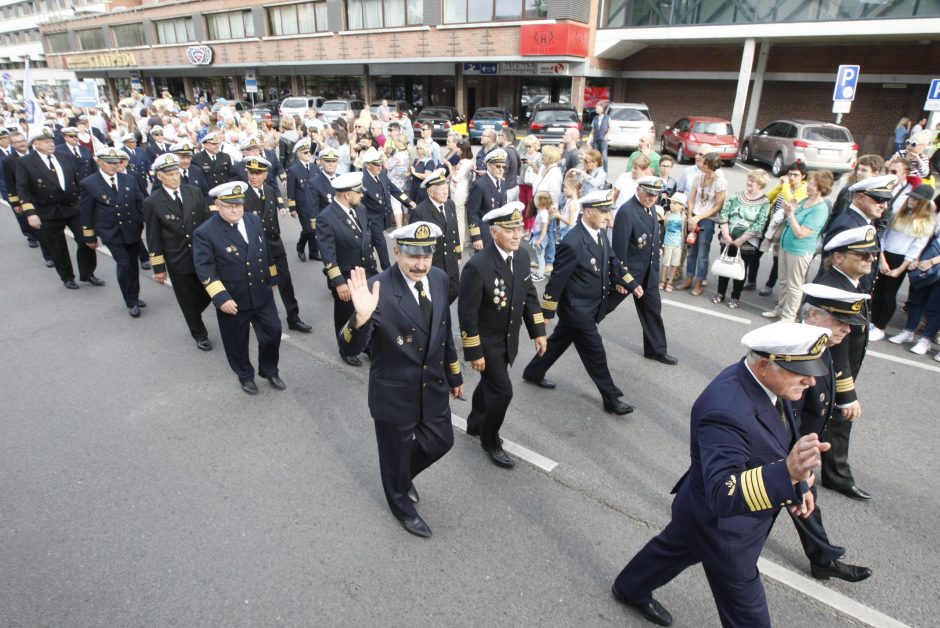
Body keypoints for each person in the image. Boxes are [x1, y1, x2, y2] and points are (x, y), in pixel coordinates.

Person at [611, 321, 833, 628]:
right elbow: (724, 492)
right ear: (766, 365)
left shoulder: (767, 383)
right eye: (801, 372)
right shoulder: (725, 409)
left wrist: (799, 485)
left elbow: (777, 444)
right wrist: (787, 474)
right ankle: (630, 588)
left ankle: (629, 588)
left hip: (697, 510)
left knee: (674, 548)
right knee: (749, 617)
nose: (810, 381)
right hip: (724, 529)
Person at [340, 222, 464, 539]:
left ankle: (400, 476)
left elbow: (443, 329)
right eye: (412, 256)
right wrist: (360, 318)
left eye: (427, 255)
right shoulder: (377, 289)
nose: (421, 264)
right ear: (397, 252)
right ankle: (401, 507)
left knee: (442, 441)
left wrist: (453, 373)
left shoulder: (437, 278)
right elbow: (349, 346)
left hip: (432, 386)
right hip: (394, 394)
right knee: (394, 455)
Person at [521, 189, 634, 415]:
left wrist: (630, 282)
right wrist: (547, 313)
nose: (608, 216)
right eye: (604, 212)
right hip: (576, 309)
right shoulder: (573, 241)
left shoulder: (599, 233)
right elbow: (557, 280)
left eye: (608, 211)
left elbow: (611, 260)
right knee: (596, 353)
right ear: (588, 211)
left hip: (593, 304)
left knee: (560, 341)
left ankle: (533, 372)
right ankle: (611, 398)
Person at [792, 284, 874, 583]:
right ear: (814, 315)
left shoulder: (821, 346)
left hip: (796, 451)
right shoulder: (793, 352)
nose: (847, 331)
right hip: (772, 453)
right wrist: (798, 471)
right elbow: (783, 419)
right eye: (841, 322)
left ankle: (823, 559)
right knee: (715, 527)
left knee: (804, 504)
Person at [459, 203, 547, 468]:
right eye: (510, 230)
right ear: (495, 233)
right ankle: (490, 439)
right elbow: (467, 314)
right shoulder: (478, 266)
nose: (517, 235)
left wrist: (538, 332)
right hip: (487, 343)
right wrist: (474, 352)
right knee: (503, 392)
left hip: (508, 339)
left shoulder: (520, 257)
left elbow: (529, 295)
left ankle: (475, 423)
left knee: (491, 385)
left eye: (519, 228)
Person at [194, 182, 284, 395]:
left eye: (239, 204)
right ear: (217, 205)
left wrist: (272, 279)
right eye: (229, 205)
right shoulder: (205, 232)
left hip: (261, 294)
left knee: (273, 332)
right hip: (233, 299)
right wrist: (221, 297)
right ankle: (245, 375)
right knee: (236, 341)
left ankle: (270, 369)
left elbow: (265, 252)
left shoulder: (253, 220)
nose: (235, 210)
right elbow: (205, 268)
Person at [816, 226, 881, 500]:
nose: (870, 260)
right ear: (839, 257)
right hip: (828, 373)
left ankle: (834, 474)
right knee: (833, 421)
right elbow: (836, 346)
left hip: (834, 372)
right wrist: (847, 394)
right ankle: (835, 475)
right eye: (863, 256)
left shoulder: (849, 282)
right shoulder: (834, 288)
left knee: (827, 424)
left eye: (872, 255)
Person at [143, 152, 214, 351]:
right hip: (177, 258)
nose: (175, 177)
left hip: (201, 255)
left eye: (177, 173)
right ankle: (199, 333)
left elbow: (207, 222)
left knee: (210, 291)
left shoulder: (194, 192)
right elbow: (153, 237)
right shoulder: (153, 202)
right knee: (185, 298)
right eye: (170, 174)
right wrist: (159, 267)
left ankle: (193, 314)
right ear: (159, 176)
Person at [17, 127, 102, 290]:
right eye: (46, 141)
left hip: (72, 206)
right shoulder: (26, 162)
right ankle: (67, 276)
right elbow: (23, 189)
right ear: (36, 143)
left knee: (86, 240)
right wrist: (30, 213)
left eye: (52, 141)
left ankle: (88, 273)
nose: (51, 144)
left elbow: (77, 181)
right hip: (48, 210)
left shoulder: (64, 157)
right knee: (57, 246)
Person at [610, 176, 677, 365]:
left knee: (653, 311)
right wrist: (621, 278)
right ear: (638, 189)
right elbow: (619, 248)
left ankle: (656, 350)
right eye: (648, 194)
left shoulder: (651, 208)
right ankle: (579, 329)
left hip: (649, 273)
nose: (651, 198)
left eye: (654, 195)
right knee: (604, 306)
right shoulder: (627, 212)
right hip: (630, 274)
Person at [241, 156, 312, 334]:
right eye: (251, 173)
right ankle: (261, 318)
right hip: (254, 248)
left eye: (259, 173)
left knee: (285, 281)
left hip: (274, 243)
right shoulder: (241, 195)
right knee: (260, 284)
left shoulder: (271, 190)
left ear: (266, 174)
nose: (255, 176)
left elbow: (272, 220)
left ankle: (293, 317)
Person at [316, 171, 377, 367]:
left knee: (368, 311)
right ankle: (346, 347)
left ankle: (366, 345)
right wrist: (339, 282)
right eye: (359, 192)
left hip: (366, 272)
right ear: (347, 195)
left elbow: (366, 239)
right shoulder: (326, 217)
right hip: (345, 276)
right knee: (346, 315)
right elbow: (328, 254)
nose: (362, 195)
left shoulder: (360, 209)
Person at [79, 148, 147, 317]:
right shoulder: (89, 183)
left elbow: (140, 203)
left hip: (131, 228)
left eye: (117, 162)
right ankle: (130, 301)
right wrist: (89, 235)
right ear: (99, 162)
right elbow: (86, 211)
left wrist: (147, 222)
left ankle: (135, 295)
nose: (114, 166)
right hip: (110, 231)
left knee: (132, 264)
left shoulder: (129, 179)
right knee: (124, 264)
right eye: (110, 162)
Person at [761, 170, 833, 322]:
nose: (808, 186)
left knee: (794, 285)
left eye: (812, 184)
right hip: (786, 246)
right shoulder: (803, 201)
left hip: (799, 250)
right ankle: (780, 310)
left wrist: (790, 214)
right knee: (783, 281)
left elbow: (801, 233)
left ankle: (788, 316)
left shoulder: (820, 209)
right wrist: (790, 211)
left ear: (821, 187)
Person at [869, 183, 936, 342]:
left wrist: (901, 268)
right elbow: (884, 235)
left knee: (888, 294)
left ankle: (880, 327)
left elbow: (916, 247)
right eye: (912, 196)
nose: (912, 200)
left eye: (916, 199)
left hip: (901, 259)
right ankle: (873, 322)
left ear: (924, 203)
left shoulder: (926, 222)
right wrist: (882, 257)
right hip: (886, 254)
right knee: (877, 291)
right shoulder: (899, 213)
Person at [819, 174, 895, 292]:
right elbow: (831, 267)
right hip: (840, 294)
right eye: (879, 199)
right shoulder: (847, 225)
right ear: (860, 198)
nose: (884, 206)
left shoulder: (863, 221)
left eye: (887, 201)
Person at [712, 170, 770, 308]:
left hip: (747, 242)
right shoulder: (737, 196)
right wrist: (726, 235)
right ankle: (720, 293)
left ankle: (735, 297)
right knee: (724, 266)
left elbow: (759, 224)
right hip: (728, 238)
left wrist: (741, 240)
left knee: (740, 270)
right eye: (749, 179)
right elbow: (724, 213)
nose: (749, 183)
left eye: (753, 181)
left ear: (761, 184)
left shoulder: (765, 202)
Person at [889, 209, 940, 358]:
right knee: (917, 299)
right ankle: (908, 331)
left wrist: (931, 262)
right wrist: (917, 258)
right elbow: (927, 236)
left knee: (934, 305)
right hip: (927, 258)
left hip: (932, 262)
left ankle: (926, 340)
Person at [754, 162, 807, 297]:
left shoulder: (803, 190)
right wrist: (779, 186)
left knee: (777, 258)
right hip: (772, 223)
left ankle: (769, 285)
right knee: (757, 252)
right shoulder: (785, 187)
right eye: (790, 174)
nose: (792, 177)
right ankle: (751, 280)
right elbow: (767, 198)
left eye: (796, 175)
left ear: (803, 176)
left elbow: (792, 203)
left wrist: (785, 186)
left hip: (786, 227)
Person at [409, 168, 462, 303]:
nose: (446, 191)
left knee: (454, 291)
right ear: (430, 192)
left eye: (446, 187)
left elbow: (454, 231)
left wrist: (458, 255)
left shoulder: (450, 204)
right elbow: (413, 244)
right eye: (441, 188)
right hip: (433, 262)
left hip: (450, 260)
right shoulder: (420, 212)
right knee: (435, 297)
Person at [360, 147, 415, 270]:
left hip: (382, 216)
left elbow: (393, 189)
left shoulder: (382, 174)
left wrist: (408, 201)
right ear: (368, 165)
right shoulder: (362, 180)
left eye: (380, 164)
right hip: (371, 219)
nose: (380, 167)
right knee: (381, 245)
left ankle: (369, 268)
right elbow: (359, 204)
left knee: (371, 245)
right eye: (376, 164)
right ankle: (388, 270)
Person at [681, 152, 727, 296]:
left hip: (707, 219)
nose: (701, 163)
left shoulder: (720, 182)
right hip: (694, 215)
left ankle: (699, 282)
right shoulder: (698, 177)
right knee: (691, 250)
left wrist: (698, 218)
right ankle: (689, 278)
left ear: (711, 166)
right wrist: (690, 217)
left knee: (702, 253)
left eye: (704, 163)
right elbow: (691, 199)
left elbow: (718, 206)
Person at [525, 145, 563, 271]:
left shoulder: (555, 172)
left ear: (550, 158)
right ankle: (539, 258)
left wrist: (550, 209)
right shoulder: (543, 167)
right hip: (539, 206)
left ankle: (549, 262)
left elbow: (555, 194)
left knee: (549, 234)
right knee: (539, 232)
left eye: (544, 155)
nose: (541, 156)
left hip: (547, 209)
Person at [286, 138, 320, 262]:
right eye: (305, 152)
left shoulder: (315, 168)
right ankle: (300, 247)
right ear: (298, 154)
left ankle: (313, 252)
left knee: (315, 229)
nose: (309, 154)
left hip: (315, 204)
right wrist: (292, 208)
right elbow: (291, 191)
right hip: (303, 205)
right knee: (308, 229)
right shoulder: (293, 170)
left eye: (309, 152)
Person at [467, 148, 508, 251]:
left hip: (500, 234)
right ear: (489, 166)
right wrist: (476, 237)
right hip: (485, 235)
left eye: (503, 167)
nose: (501, 169)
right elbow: (472, 213)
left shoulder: (502, 184)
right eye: (498, 166)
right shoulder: (480, 185)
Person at [660, 192, 687, 293]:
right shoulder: (667, 214)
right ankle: (663, 281)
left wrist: (683, 244)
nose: (672, 205)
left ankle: (670, 282)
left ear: (682, 206)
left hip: (678, 244)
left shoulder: (683, 216)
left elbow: (683, 230)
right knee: (665, 263)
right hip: (667, 242)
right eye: (672, 203)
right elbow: (665, 227)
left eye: (676, 203)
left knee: (675, 264)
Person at [530, 191, 552, 281]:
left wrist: (540, 240)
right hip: (537, 235)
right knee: (539, 256)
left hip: (540, 237)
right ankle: (540, 271)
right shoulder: (541, 211)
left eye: (536, 199)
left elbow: (544, 228)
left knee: (540, 256)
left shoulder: (544, 214)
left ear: (541, 202)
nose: (534, 201)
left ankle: (540, 274)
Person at [496, 127, 521, 203]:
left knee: (504, 213)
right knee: (513, 214)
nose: (497, 137)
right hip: (514, 187)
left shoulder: (505, 152)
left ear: (503, 137)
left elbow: (502, 172)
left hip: (507, 189)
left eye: (499, 135)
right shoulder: (514, 150)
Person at [590, 101, 610, 171]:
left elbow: (610, 128)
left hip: (603, 140)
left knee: (604, 157)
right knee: (595, 156)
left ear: (602, 109)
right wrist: (590, 138)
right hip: (596, 140)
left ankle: (605, 171)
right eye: (596, 108)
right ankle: (594, 170)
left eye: (598, 108)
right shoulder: (595, 118)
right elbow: (593, 129)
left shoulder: (607, 118)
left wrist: (607, 135)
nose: (596, 109)